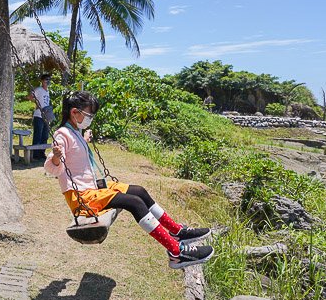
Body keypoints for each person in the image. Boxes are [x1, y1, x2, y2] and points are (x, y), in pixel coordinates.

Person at [45, 90, 215, 269]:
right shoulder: (62, 134)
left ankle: (177, 231)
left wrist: (84, 139)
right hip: (82, 197)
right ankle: (176, 252)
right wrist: (56, 157)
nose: (92, 118)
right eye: (90, 114)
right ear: (74, 112)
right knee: (133, 202)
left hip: (93, 189)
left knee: (139, 191)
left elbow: (75, 152)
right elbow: (51, 167)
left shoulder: (76, 132)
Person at [27, 73, 53, 160]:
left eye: (49, 79)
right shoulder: (39, 89)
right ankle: (35, 154)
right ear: (42, 81)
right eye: (46, 79)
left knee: (45, 136)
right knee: (38, 134)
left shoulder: (47, 91)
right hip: (38, 115)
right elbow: (29, 96)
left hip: (46, 116)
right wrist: (36, 102)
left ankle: (42, 153)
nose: (48, 81)